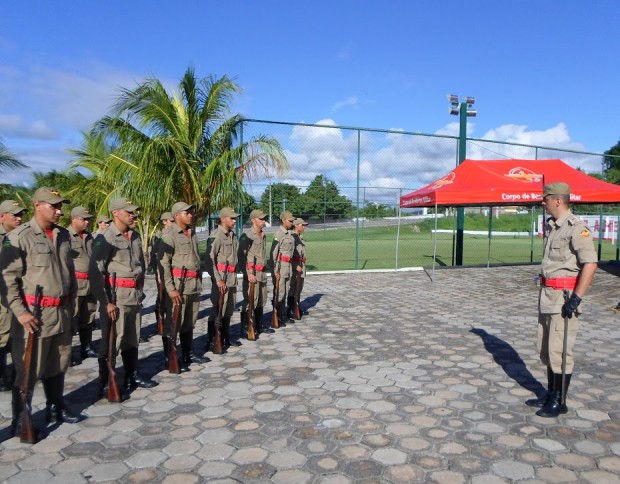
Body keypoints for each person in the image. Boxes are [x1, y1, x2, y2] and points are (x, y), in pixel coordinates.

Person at [1, 187, 83, 440]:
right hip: (34, 316)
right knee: (29, 370)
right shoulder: (19, 237)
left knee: (58, 363)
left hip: (61, 312)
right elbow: (6, 280)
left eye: (60, 206)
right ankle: (20, 420)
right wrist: (20, 313)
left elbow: (68, 272)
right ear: (37, 205)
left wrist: (72, 303)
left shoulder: (62, 235)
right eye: (53, 206)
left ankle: (55, 407)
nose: (59, 211)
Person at [526, 182, 597, 418]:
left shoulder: (576, 228)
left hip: (563, 298)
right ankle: (550, 394)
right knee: (546, 349)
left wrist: (576, 298)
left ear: (557, 200)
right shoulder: (553, 227)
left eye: (545, 198)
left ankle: (560, 400)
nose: (542, 202)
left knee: (560, 351)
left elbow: (590, 264)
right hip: (547, 296)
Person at [89, 197, 157, 398]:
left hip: (133, 295)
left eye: (134, 212)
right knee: (112, 341)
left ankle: (131, 375)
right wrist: (105, 302)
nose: (134, 215)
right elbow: (95, 271)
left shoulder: (134, 236)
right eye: (129, 212)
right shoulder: (105, 237)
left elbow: (139, 265)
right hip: (116, 296)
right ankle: (105, 382)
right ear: (115, 213)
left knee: (132, 337)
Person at [158, 202, 210, 371]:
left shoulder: (192, 233)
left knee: (189, 321)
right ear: (176, 216)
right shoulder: (169, 235)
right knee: (174, 322)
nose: (190, 215)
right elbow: (164, 264)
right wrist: (170, 288)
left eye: (190, 212)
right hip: (178, 286)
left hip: (193, 285)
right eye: (186, 213)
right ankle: (170, 357)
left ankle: (188, 353)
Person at [0, 200, 26, 392]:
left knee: (17, 335)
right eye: (14, 215)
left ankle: (18, 372)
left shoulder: (21, 236)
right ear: (2, 217)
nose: (19, 218)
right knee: (2, 335)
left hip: (18, 292)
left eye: (20, 215)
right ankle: (2, 376)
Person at [206, 207, 240, 350]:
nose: (234, 221)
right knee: (218, 309)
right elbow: (209, 260)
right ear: (223, 219)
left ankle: (225, 337)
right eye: (232, 218)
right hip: (221, 278)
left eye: (235, 218)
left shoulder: (232, 235)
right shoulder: (216, 235)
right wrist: (218, 280)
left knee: (229, 309)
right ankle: (212, 339)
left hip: (231, 278)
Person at [67, 206, 97, 366]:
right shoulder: (65, 236)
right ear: (74, 219)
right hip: (76, 284)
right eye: (83, 219)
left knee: (88, 316)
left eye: (88, 219)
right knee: (72, 318)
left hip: (90, 283)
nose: (87, 222)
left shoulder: (88, 236)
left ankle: (86, 347)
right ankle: (68, 353)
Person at [238, 209, 274, 338]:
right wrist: (247, 274)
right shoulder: (247, 236)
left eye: (264, 219)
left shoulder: (263, 235)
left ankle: (259, 326)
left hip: (262, 273)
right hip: (252, 274)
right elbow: (240, 257)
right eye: (261, 219)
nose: (264, 221)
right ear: (253, 220)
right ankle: (245, 327)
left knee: (261, 300)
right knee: (250, 301)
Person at [270, 211, 296, 328]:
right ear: (283, 220)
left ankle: (282, 314)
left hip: (288, 266)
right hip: (280, 267)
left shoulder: (290, 234)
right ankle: (278, 315)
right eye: (290, 221)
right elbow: (273, 254)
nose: (291, 222)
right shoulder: (279, 234)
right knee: (279, 293)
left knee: (285, 291)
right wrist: (274, 270)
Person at [289, 217, 309, 319]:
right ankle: (291, 309)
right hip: (296, 266)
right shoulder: (292, 237)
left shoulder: (299, 237)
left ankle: (296, 307)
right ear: (296, 225)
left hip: (301, 264)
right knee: (294, 288)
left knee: (299, 288)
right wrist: (295, 265)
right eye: (302, 225)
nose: (304, 227)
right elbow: (290, 253)